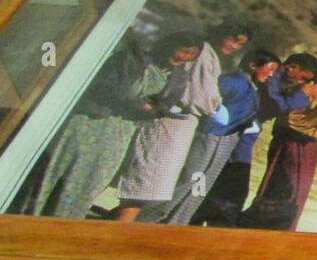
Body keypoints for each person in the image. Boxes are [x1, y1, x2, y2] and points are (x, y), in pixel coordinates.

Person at [15, 34, 195, 219]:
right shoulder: (130, 59)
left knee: (92, 179)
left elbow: (166, 104)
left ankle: (63, 223)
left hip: (123, 131)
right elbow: (100, 86)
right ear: (168, 44)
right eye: (183, 50)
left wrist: (152, 110)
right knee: (61, 170)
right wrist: (132, 101)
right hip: (92, 122)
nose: (184, 57)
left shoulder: (179, 76)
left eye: (191, 55)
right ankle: (30, 218)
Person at [115, 21, 250, 222]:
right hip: (172, 121)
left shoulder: (209, 54)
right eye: (233, 39)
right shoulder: (203, 53)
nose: (233, 46)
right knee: (146, 180)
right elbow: (202, 96)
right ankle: (121, 225)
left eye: (240, 45)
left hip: (181, 124)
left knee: (153, 183)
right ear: (222, 33)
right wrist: (216, 108)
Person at [139, 50, 279, 226]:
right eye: (270, 69)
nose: (272, 74)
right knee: (189, 181)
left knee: (199, 189)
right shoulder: (231, 82)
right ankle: (146, 219)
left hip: (226, 141)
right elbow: (208, 102)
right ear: (253, 65)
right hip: (210, 137)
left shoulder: (253, 87)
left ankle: (177, 224)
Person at [191, 52, 316, 227]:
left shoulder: (275, 79)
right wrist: (301, 95)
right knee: (233, 178)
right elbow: (274, 105)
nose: (301, 83)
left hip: (245, 132)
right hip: (237, 132)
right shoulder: (271, 79)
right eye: (302, 78)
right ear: (292, 67)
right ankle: (219, 220)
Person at [239, 61, 317, 231]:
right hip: (292, 147)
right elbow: (292, 120)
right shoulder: (306, 93)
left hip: (308, 150)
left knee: (297, 192)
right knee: (287, 190)